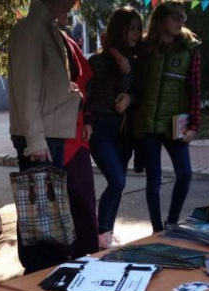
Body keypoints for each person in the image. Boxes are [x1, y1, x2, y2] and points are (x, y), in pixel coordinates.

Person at [8, 0, 83, 274]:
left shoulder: (44, 27)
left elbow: (43, 81)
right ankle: (38, 271)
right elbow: (27, 87)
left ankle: (45, 267)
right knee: (37, 205)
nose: (73, 5)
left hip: (46, 131)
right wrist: (36, 140)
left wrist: (67, 89)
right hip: (40, 135)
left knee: (44, 204)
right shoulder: (33, 29)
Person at [134, 1, 201, 233]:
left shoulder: (189, 48)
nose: (180, 20)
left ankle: (172, 221)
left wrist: (194, 125)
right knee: (154, 180)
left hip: (176, 122)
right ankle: (157, 229)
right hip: (148, 122)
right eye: (175, 16)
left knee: (185, 173)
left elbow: (195, 90)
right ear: (161, 19)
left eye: (183, 16)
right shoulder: (144, 47)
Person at [87, 7, 142, 249]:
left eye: (139, 29)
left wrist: (129, 98)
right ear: (119, 29)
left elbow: (141, 91)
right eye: (131, 28)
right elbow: (86, 96)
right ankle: (100, 232)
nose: (136, 34)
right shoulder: (98, 61)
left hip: (124, 133)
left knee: (119, 184)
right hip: (101, 131)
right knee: (117, 181)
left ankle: (107, 232)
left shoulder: (138, 61)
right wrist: (88, 120)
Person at [57, 12, 99, 258]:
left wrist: (89, 119)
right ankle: (64, 257)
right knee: (60, 205)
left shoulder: (67, 41)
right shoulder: (43, 39)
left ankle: (87, 254)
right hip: (53, 135)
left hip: (76, 134)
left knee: (82, 200)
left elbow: (87, 83)